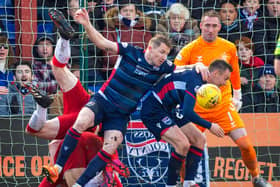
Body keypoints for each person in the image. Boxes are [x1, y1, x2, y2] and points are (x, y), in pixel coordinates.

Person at [42, 7, 191, 186]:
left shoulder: (163, 66)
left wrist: (199, 68)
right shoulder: (131, 52)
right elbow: (103, 43)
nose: (163, 57)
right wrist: (87, 23)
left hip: (120, 115)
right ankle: (56, 168)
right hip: (103, 101)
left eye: (166, 54)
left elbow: (182, 70)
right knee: (81, 122)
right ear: (150, 48)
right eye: (161, 52)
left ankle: (79, 184)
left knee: (111, 146)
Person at [25, 12, 128, 186]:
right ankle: (41, 107)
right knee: (43, 137)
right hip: (89, 120)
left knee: (57, 68)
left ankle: (64, 39)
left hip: (86, 110)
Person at [174, 10, 271, 187]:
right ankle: (184, 182)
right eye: (207, 25)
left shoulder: (228, 47)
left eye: (214, 26)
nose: (210, 29)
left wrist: (238, 96)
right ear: (201, 25)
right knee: (185, 147)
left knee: (245, 145)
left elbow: (234, 73)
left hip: (222, 106)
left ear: (219, 27)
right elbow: (173, 71)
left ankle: (256, 177)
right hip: (196, 108)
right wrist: (193, 67)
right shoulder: (190, 49)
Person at [141, 59, 229, 187]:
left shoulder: (200, 78)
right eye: (225, 78)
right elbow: (188, 112)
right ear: (215, 73)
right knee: (182, 144)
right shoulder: (195, 81)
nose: (225, 83)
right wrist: (210, 126)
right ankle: (170, 185)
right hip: (154, 108)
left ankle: (189, 183)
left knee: (199, 139)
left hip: (169, 108)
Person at [101, 0, 153, 79]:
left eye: (131, 11)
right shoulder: (110, 29)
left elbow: (149, 52)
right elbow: (109, 56)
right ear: (119, 13)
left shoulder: (144, 31)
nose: (128, 13)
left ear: (136, 13)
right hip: (115, 71)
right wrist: (128, 65)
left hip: (140, 71)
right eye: (125, 10)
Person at [234, 36, 264, 112]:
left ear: (251, 52)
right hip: (240, 98)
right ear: (237, 52)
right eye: (240, 49)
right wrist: (236, 80)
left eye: (247, 49)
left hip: (258, 98)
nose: (243, 52)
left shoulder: (259, 64)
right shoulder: (234, 65)